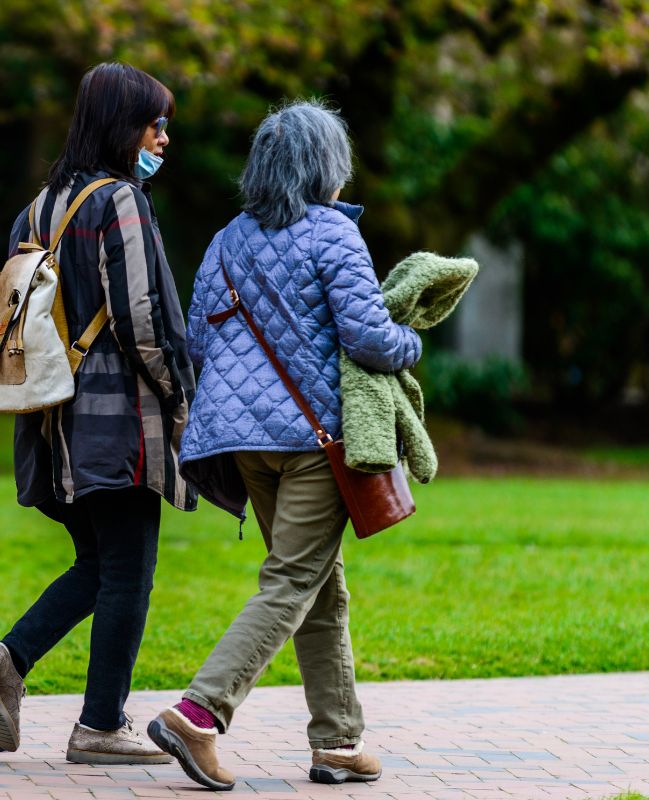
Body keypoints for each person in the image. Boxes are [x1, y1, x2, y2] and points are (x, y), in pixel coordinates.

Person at [146, 100, 422, 789]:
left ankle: (338, 741)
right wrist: (412, 341)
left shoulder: (226, 240)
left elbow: (203, 343)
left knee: (318, 586)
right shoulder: (334, 234)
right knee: (295, 579)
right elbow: (368, 338)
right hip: (313, 441)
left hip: (241, 441)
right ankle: (199, 712)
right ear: (327, 166)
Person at [0, 62, 195, 765]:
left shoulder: (35, 209)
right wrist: (183, 398)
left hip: (50, 418)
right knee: (129, 570)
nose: (162, 137)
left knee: (97, 561)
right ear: (123, 127)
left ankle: (10, 660)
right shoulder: (120, 201)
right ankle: (99, 725)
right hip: (117, 418)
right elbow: (142, 320)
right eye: (154, 124)